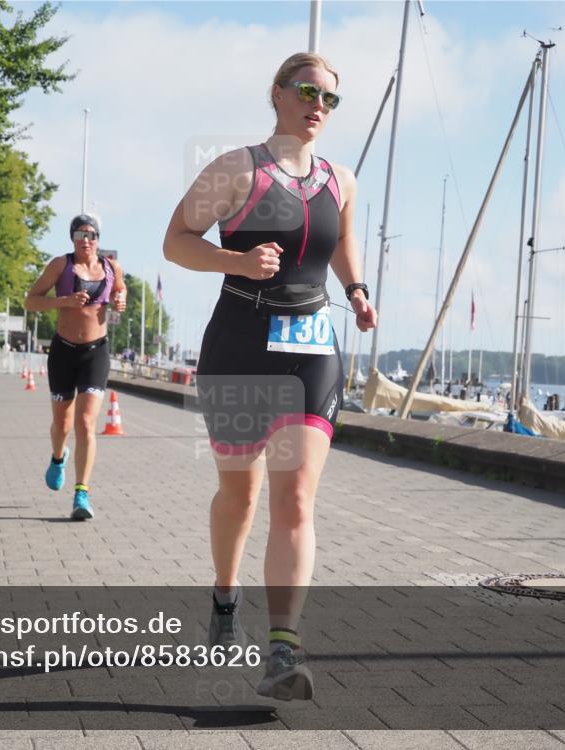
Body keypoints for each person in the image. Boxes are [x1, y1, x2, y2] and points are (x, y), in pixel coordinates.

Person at [163, 52, 376, 700]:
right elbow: (176, 241)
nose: (319, 105)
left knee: (296, 497)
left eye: (331, 98)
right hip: (241, 339)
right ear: (278, 94)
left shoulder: (342, 179)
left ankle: (283, 649)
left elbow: (339, 241)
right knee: (242, 496)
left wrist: (358, 289)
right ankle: (226, 597)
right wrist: (237, 258)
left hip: (311, 345)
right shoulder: (237, 169)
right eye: (308, 91)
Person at [25, 214, 127, 520]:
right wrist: (63, 302)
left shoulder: (111, 267)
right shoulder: (61, 265)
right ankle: (58, 458)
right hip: (63, 352)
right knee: (63, 425)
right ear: (72, 238)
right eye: (80, 235)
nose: (86, 240)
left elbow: (120, 289)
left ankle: (82, 493)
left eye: (91, 235)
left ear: (98, 238)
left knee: (85, 423)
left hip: (96, 352)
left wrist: (121, 300)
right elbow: (31, 301)